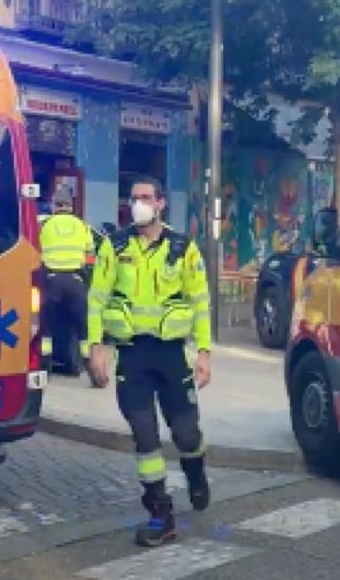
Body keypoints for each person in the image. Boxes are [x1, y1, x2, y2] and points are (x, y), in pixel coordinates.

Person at [86, 175, 212, 548]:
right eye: (134, 198)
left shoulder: (182, 248)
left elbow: (200, 302)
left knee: (187, 434)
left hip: (172, 354)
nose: (138, 203)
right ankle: (161, 513)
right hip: (132, 355)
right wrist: (95, 347)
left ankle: (196, 472)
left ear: (160, 204)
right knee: (144, 436)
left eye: (146, 198)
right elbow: (96, 297)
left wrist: (203, 352)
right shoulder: (115, 245)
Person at [38, 189, 95, 378]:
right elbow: (90, 254)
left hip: (52, 281)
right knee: (82, 325)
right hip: (76, 282)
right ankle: (88, 362)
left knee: (46, 324)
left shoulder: (44, 225)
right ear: (70, 206)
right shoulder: (82, 226)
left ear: (54, 205)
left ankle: (45, 361)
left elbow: (35, 251)